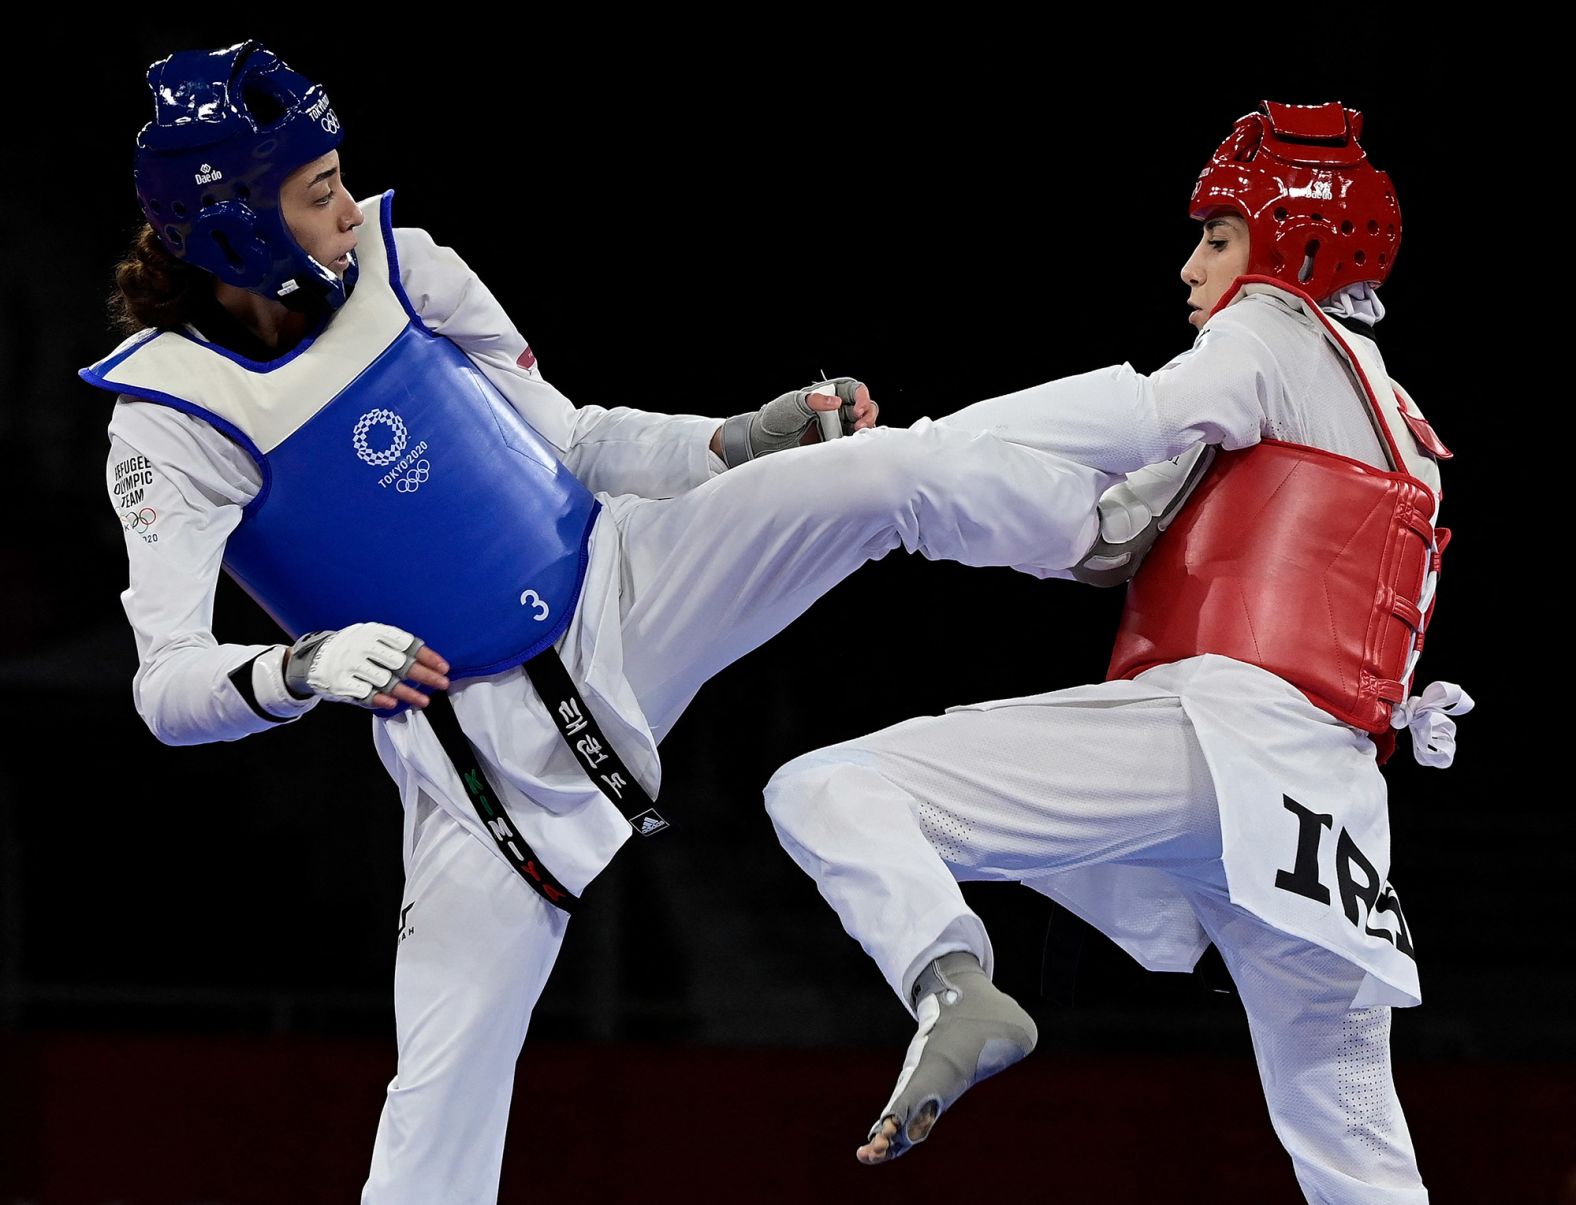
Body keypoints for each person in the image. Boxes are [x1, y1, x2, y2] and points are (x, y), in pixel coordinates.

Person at [80, 40, 1124, 1205]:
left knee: (881, 473)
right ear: (235, 227)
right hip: (481, 756)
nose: (344, 207)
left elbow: (575, 440)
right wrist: (304, 664)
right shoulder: (172, 420)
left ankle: (1100, 527)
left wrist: (734, 438)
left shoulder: (405, 264)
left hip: (626, 581)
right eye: (315, 190)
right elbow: (166, 689)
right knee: (436, 1113)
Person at [763, 99, 1470, 1203]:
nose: (1191, 269)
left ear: (1290, 247)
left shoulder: (1270, 330)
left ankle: (950, 982)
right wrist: (902, 493)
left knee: (825, 786)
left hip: (1214, 737)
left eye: (1217, 236)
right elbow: (1098, 537)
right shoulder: (1404, 426)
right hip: (1325, 811)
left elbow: (1136, 419)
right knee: (1356, 1147)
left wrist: (917, 452)